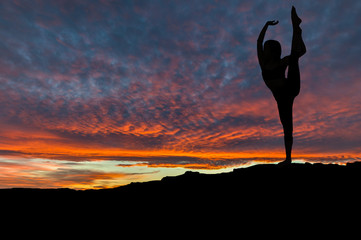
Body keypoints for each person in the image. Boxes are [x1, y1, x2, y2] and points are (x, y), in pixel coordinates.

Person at [257, 6, 306, 164]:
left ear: (273, 51)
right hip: (282, 99)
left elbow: (298, 54)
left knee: (294, 56)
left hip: (291, 87)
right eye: (264, 49)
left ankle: (295, 27)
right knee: (286, 126)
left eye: (267, 49)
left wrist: (296, 54)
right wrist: (266, 25)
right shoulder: (263, 64)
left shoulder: (281, 61)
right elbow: (258, 42)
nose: (264, 50)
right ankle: (288, 159)